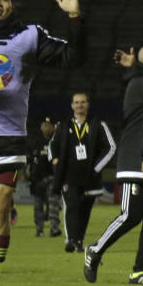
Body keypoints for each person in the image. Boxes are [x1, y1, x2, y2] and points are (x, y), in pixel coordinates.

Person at [0, 0, 83, 286]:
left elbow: (74, 57)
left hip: (8, 139)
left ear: (12, 5)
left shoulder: (29, 35)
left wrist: (75, 17)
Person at [83, 45, 143, 285]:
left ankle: (140, 271)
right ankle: (95, 249)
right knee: (131, 214)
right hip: (136, 159)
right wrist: (134, 68)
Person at [50, 93, 116, 252]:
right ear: (72, 105)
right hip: (68, 176)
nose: (79, 105)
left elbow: (111, 147)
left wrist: (96, 168)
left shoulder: (98, 124)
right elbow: (53, 145)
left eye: (83, 102)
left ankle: (79, 241)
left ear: (88, 105)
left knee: (84, 211)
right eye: (76, 102)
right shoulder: (64, 125)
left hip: (90, 177)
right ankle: (71, 240)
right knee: (71, 206)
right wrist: (55, 160)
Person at [26, 118, 62, 237]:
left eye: (49, 125)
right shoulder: (35, 142)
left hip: (52, 178)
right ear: (41, 127)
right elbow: (28, 159)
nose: (47, 127)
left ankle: (54, 228)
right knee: (38, 206)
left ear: (53, 127)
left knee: (53, 205)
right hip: (37, 179)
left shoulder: (57, 141)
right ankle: (39, 229)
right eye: (44, 125)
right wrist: (26, 173)